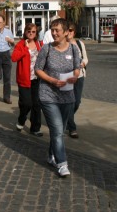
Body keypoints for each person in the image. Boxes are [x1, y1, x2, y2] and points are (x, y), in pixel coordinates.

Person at [34, 18, 80, 177]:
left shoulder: (74, 49)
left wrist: (75, 77)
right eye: (52, 30)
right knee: (58, 130)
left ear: (66, 32)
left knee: (58, 131)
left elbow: (77, 68)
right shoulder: (46, 49)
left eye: (57, 30)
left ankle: (51, 156)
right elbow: (37, 70)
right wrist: (52, 80)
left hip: (68, 96)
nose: (54, 33)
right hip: (48, 95)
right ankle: (62, 164)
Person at [11, 23, 43, 137]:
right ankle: (21, 119)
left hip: (36, 79)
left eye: (33, 32)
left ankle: (35, 128)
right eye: (29, 31)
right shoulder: (20, 44)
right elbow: (14, 58)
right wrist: (26, 49)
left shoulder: (40, 44)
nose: (31, 33)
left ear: (36, 33)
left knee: (36, 105)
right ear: (25, 32)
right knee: (26, 103)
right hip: (24, 79)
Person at [66, 22, 88, 139]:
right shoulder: (63, 45)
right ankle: (72, 128)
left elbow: (85, 58)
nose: (69, 32)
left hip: (79, 76)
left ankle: (65, 118)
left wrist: (83, 63)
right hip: (68, 76)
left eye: (71, 30)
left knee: (77, 102)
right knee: (69, 102)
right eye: (67, 30)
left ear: (74, 32)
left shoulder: (80, 43)